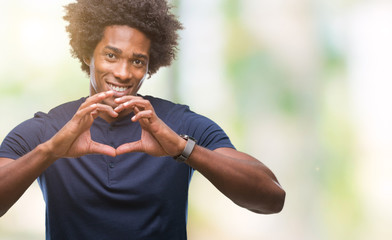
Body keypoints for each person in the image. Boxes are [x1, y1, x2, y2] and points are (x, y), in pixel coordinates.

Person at [0, 0, 285, 239]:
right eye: (111, 56)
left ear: (150, 67)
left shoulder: (179, 125)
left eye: (137, 61)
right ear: (88, 54)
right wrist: (49, 151)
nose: (124, 72)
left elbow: (272, 198)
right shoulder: (48, 129)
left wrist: (183, 149)